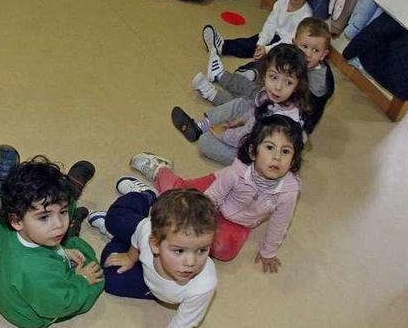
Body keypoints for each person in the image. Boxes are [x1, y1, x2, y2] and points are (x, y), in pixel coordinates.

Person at [129, 114, 303, 272]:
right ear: (253, 152)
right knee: (176, 196)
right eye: (270, 147)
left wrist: (268, 251)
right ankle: (161, 170)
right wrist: (197, 219)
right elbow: (212, 197)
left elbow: (280, 223)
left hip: (240, 221)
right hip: (212, 191)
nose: (277, 157)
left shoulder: (288, 191)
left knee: (223, 250)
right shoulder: (236, 172)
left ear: (293, 160)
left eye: (285, 151)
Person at [0, 160, 103, 328]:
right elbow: (60, 304)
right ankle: (72, 202)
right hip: (31, 314)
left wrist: (62, 251)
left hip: (7, 277)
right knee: (96, 271)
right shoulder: (36, 270)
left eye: (63, 212)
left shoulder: (7, 222)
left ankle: (69, 199)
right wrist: (81, 280)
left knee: (60, 221)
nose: (59, 224)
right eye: (44, 217)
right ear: (16, 221)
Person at [90, 185, 218, 328]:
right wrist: (130, 257)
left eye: (202, 250)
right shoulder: (147, 232)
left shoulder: (203, 285)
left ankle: (117, 237)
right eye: (179, 251)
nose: (191, 262)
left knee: (110, 280)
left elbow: (182, 324)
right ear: (155, 245)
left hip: (151, 278)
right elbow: (139, 233)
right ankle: (146, 196)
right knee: (113, 219)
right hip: (145, 234)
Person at [171, 44, 310, 164]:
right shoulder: (270, 95)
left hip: (257, 156)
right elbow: (254, 109)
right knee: (242, 103)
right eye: (273, 77)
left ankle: (251, 171)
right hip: (254, 135)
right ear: (264, 74)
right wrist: (236, 121)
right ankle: (201, 126)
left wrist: (223, 133)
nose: (278, 87)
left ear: (298, 86)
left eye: (288, 82)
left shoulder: (279, 119)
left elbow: (244, 137)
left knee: (205, 142)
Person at [193, 17, 334, 134]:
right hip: (274, 97)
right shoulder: (293, 57)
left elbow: (300, 109)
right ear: (293, 42)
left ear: (324, 54)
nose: (308, 54)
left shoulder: (318, 82)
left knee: (245, 104)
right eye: (304, 47)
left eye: (315, 50)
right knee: (249, 87)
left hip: (282, 114)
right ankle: (220, 75)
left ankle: (213, 94)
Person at [201, 0, 317, 60]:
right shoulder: (281, 3)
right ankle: (222, 46)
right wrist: (261, 43)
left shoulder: (306, 15)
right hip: (274, 36)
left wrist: (267, 49)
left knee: (276, 56)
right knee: (252, 42)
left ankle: (257, 58)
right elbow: (270, 24)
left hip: (289, 46)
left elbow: (292, 39)